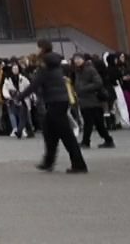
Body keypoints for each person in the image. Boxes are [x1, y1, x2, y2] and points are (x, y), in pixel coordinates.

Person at [33, 42, 87, 173]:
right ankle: (49, 161)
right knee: (49, 131)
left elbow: (36, 84)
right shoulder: (58, 64)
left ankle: (78, 163)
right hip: (60, 100)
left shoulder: (46, 65)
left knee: (65, 134)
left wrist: (21, 96)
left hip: (55, 101)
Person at [73, 55, 113, 148]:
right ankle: (108, 140)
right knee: (98, 123)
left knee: (90, 122)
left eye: (79, 59)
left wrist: (84, 89)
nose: (77, 61)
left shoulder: (90, 70)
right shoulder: (78, 71)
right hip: (85, 100)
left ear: (83, 59)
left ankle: (86, 141)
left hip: (93, 100)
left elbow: (98, 83)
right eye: (75, 59)